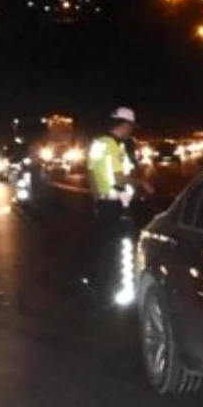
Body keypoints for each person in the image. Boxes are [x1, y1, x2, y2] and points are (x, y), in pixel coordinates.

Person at [83, 107, 153, 305]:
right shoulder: (113, 145)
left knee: (106, 244)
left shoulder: (98, 143)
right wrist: (142, 183)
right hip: (116, 203)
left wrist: (97, 199)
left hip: (106, 202)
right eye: (131, 126)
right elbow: (119, 177)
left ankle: (99, 285)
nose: (131, 131)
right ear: (124, 125)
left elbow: (91, 172)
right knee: (122, 246)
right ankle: (119, 290)